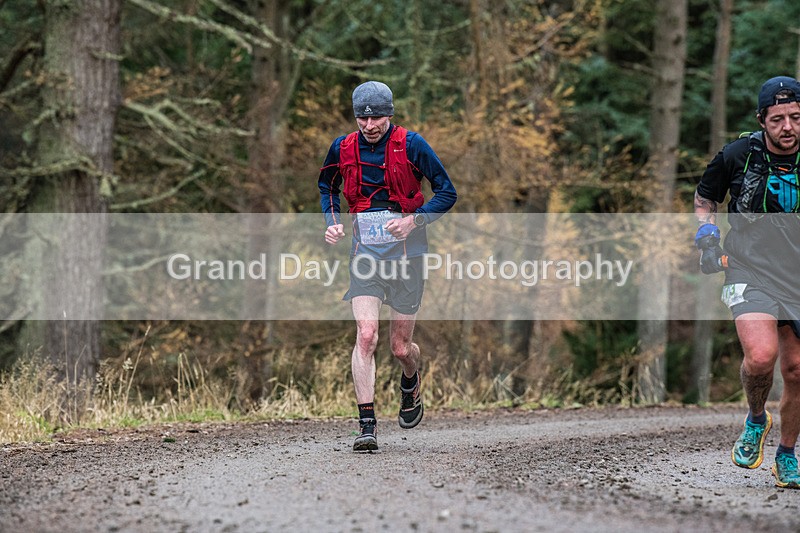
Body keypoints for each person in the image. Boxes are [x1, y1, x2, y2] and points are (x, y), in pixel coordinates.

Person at [318, 81, 457, 452]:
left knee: (399, 347)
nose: (369, 125)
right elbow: (327, 186)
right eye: (362, 118)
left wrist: (415, 220)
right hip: (365, 255)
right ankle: (367, 425)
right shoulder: (343, 147)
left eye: (376, 116)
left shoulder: (413, 145)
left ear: (390, 114)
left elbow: (447, 191)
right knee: (366, 335)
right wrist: (331, 221)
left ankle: (411, 381)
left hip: (408, 255)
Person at [695, 75, 800, 488]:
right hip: (748, 267)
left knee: (796, 370)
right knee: (760, 357)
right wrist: (706, 237)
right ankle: (757, 418)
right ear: (762, 120)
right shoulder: (738, 154)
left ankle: (787, 454)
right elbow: (706, 199)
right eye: (777, 119)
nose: (788, 127)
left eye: (795, 117)